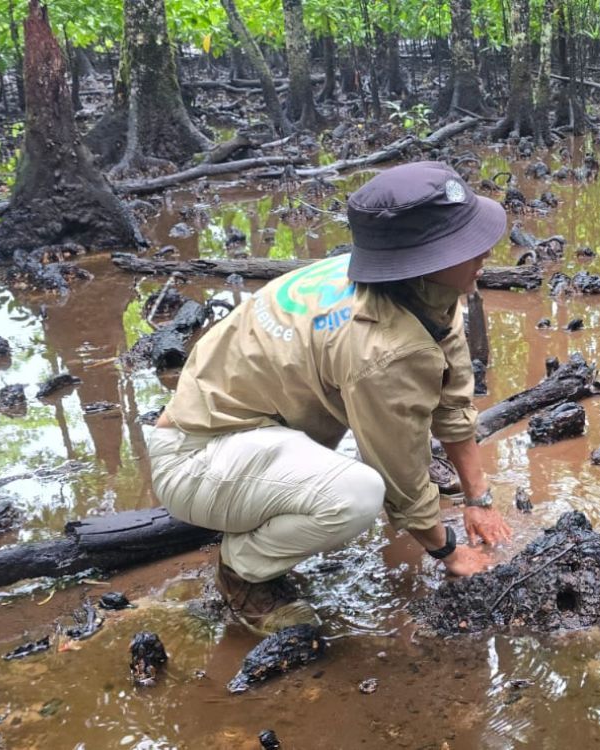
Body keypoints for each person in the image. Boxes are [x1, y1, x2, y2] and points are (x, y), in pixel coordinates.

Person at [147, 161, 513, 635]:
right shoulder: (383, 348)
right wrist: (448, 551)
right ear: (421, 260)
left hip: (246, 438)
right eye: (465, 244)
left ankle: (259, 517)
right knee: (357, 495)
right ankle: (242, 570)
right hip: (195, 457)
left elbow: (453, 400)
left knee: (359, 474)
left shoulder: (421, 291)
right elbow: (400, 475)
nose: (485, 251)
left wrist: (478, 497)